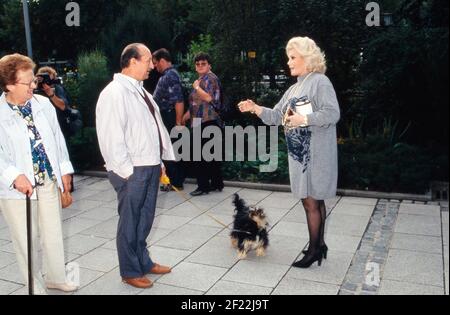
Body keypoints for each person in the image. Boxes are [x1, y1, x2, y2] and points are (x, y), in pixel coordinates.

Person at [239, 37, 340, 268]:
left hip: (316, 155)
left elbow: (333, 113)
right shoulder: (295, 87)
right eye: (289, 57)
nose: (289, 61)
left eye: (293, 57)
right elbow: (276, 116)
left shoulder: (320, 82)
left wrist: (304, 119)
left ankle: (315, 249)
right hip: (300, 157)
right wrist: (255, 108)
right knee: (311, 202)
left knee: (312, 202)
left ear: (308, 58)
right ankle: (319, 244)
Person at [96, 43, 175, 289]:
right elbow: (110, 137)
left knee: (145, 219)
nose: (152, 65)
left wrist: (159, 162)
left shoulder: (142, 92)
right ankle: (130, 270)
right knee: (130, 221)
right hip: (132, 170)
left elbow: (152, 131)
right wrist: (128, 173)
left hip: (149, 165)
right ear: (132, 61)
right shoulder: (114, 93)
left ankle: (143, 261)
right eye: (148, 60)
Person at [0, 53, 77, 293]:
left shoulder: (43, 104)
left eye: (34, 80)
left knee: (53, 232)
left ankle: (56, 277)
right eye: (28, 82)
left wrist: (64, 170)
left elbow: (57, 138)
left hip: (48, 180)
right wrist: (14, 175)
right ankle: (35, 286)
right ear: (10, 84)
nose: (34, 85)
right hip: (18, 188)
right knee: (26, 239)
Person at [183, 52, 224, 196]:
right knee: (210, 155)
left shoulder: (210, 78)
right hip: (202, 120)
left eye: (203, 63)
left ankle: (203, 186)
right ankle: (216, 184)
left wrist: (196, 88)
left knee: (199, 155)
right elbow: (196, 103)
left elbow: (208, 98)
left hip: (207, 121)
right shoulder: (202, 79)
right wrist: (186, 116)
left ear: (209, 65)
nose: (200, 66)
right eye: (198, 64)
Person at [35, 66, 75, 192]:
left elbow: (63, 106)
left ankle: (67, 184)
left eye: (49, 78)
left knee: (62, 153)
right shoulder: (33, 91)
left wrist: (50, 94)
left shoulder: (57, 89)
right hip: (43, 129)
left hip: (59, 125)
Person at [152, 48, 186, 191]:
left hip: (169, 116)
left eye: (155, 63)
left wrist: (178, 122)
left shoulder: (170, 75)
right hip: (167, 115)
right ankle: (174, 180)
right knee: (170, 148)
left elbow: (178, 100)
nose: (154, 67)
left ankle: (175, 182)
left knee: (170, 149)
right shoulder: (169, 74)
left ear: (162, 60)